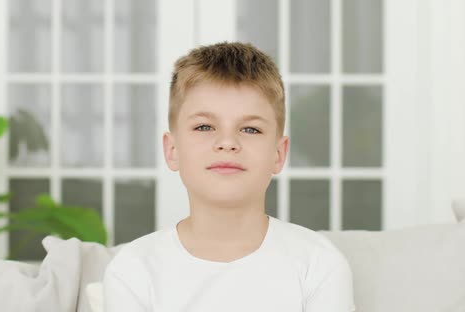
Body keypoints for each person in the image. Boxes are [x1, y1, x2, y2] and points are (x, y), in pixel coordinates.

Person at [102, 42, 355, 312]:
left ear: (278, 154)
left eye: (250, 129)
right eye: (204, 126)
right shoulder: (134, 269)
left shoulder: (318, 264)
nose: (227, 142)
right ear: (172, 150)